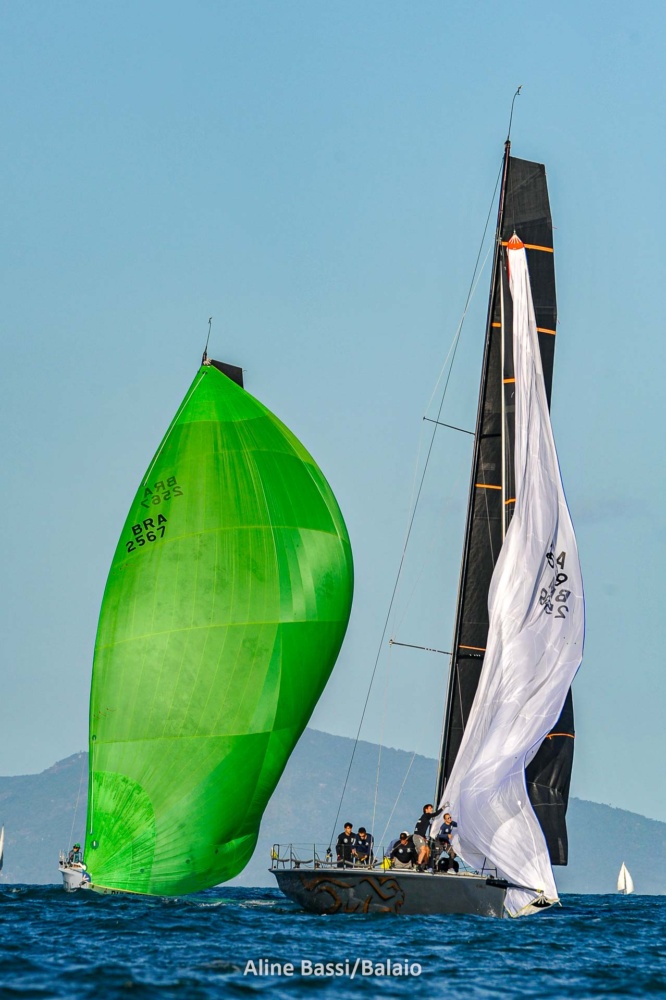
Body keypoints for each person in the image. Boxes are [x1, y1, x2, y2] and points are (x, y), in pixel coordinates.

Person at [413, 803, 442, 867]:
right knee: (423, 850)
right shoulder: (426, 815)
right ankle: (419, 865)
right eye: (430, 808)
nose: (432, 809)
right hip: (417, 836)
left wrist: (424, 837)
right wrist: (443, 808)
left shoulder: (425, 817)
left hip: (421, 836)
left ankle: (426, 865)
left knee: (427, 850)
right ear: (426, 810)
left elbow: (422, 828)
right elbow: (435, 814)